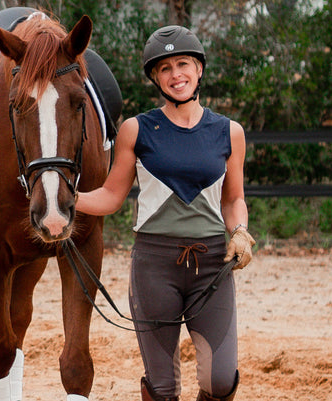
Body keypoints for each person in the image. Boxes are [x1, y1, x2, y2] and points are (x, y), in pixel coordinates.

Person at [75, 25, 255, 401]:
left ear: (199, 69)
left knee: (220, 382)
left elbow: (232, 198)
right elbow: (110, 196)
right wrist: (65, 200)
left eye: (183, 64)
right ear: (155, 78)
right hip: (154, 266)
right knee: (162, 389)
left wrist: (239, 230)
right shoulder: (136, 130)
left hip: (211, 265)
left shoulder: (229, 132)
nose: (177, 75)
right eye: (165, 68)